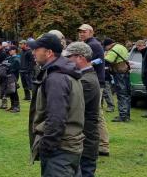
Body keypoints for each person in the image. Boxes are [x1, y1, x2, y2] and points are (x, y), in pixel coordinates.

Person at [28, 33, 84, 176]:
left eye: (37, 49)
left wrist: (47, 146)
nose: (33, 52)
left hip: (61, 150)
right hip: (68, 146)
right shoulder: (64, 72)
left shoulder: (56, 78)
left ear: (48, 53)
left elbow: (56, 117)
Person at [64, 42, 100, 177]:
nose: (66, 61)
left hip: (86, 140)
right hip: (84, 139)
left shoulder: (87, 81)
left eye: (69, 57)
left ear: (80, 57)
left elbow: (70, 107)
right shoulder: (85, 77)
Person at [78, 24, 109, 156]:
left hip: (95, 81)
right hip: (93, 80)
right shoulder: (89, 43)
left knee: (96, 114)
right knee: (94, 112)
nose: (81, 34)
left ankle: (103, 145)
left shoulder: (94, 44)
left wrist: (87, 65)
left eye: (84, 32)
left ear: (91, 32)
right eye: (80, 32)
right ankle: (99, 143)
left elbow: (100, 60)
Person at [103, 38, 131, 122]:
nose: (105, 49)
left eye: (105, 47)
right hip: (125, 72)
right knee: (126, 94)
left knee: (121, 94)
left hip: (119, 74)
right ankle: (127, 115)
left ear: (108, 45)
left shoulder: (113, 50)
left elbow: (107, 61)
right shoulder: (121, 47)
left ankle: (122, 116)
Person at [0, 45, 21, 112]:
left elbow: (13, 68)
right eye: (9, 50)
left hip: (13, 77)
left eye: (10, 50)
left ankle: (17, 107)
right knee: (10, 91)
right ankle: (12, 106)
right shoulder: (9, 58)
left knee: (14, 91)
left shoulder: (17, 58)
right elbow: (3, 64)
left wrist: (7, 67)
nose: (9, 51)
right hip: (7, 76)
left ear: (14, 50)